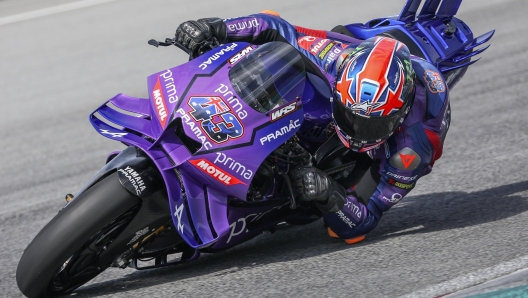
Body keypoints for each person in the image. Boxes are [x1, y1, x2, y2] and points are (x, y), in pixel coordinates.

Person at [174, 11, 450, 244]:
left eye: (373, 124)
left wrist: (328, 193)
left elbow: (364, 221)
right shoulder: (335, 59)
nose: (357, 131)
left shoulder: (412, 149)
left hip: (404, 128)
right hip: (362, 55)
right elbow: (270, 26)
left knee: (339, 230)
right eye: (351, 116)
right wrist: (215, 28)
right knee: (281, 55)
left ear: (399, 113)